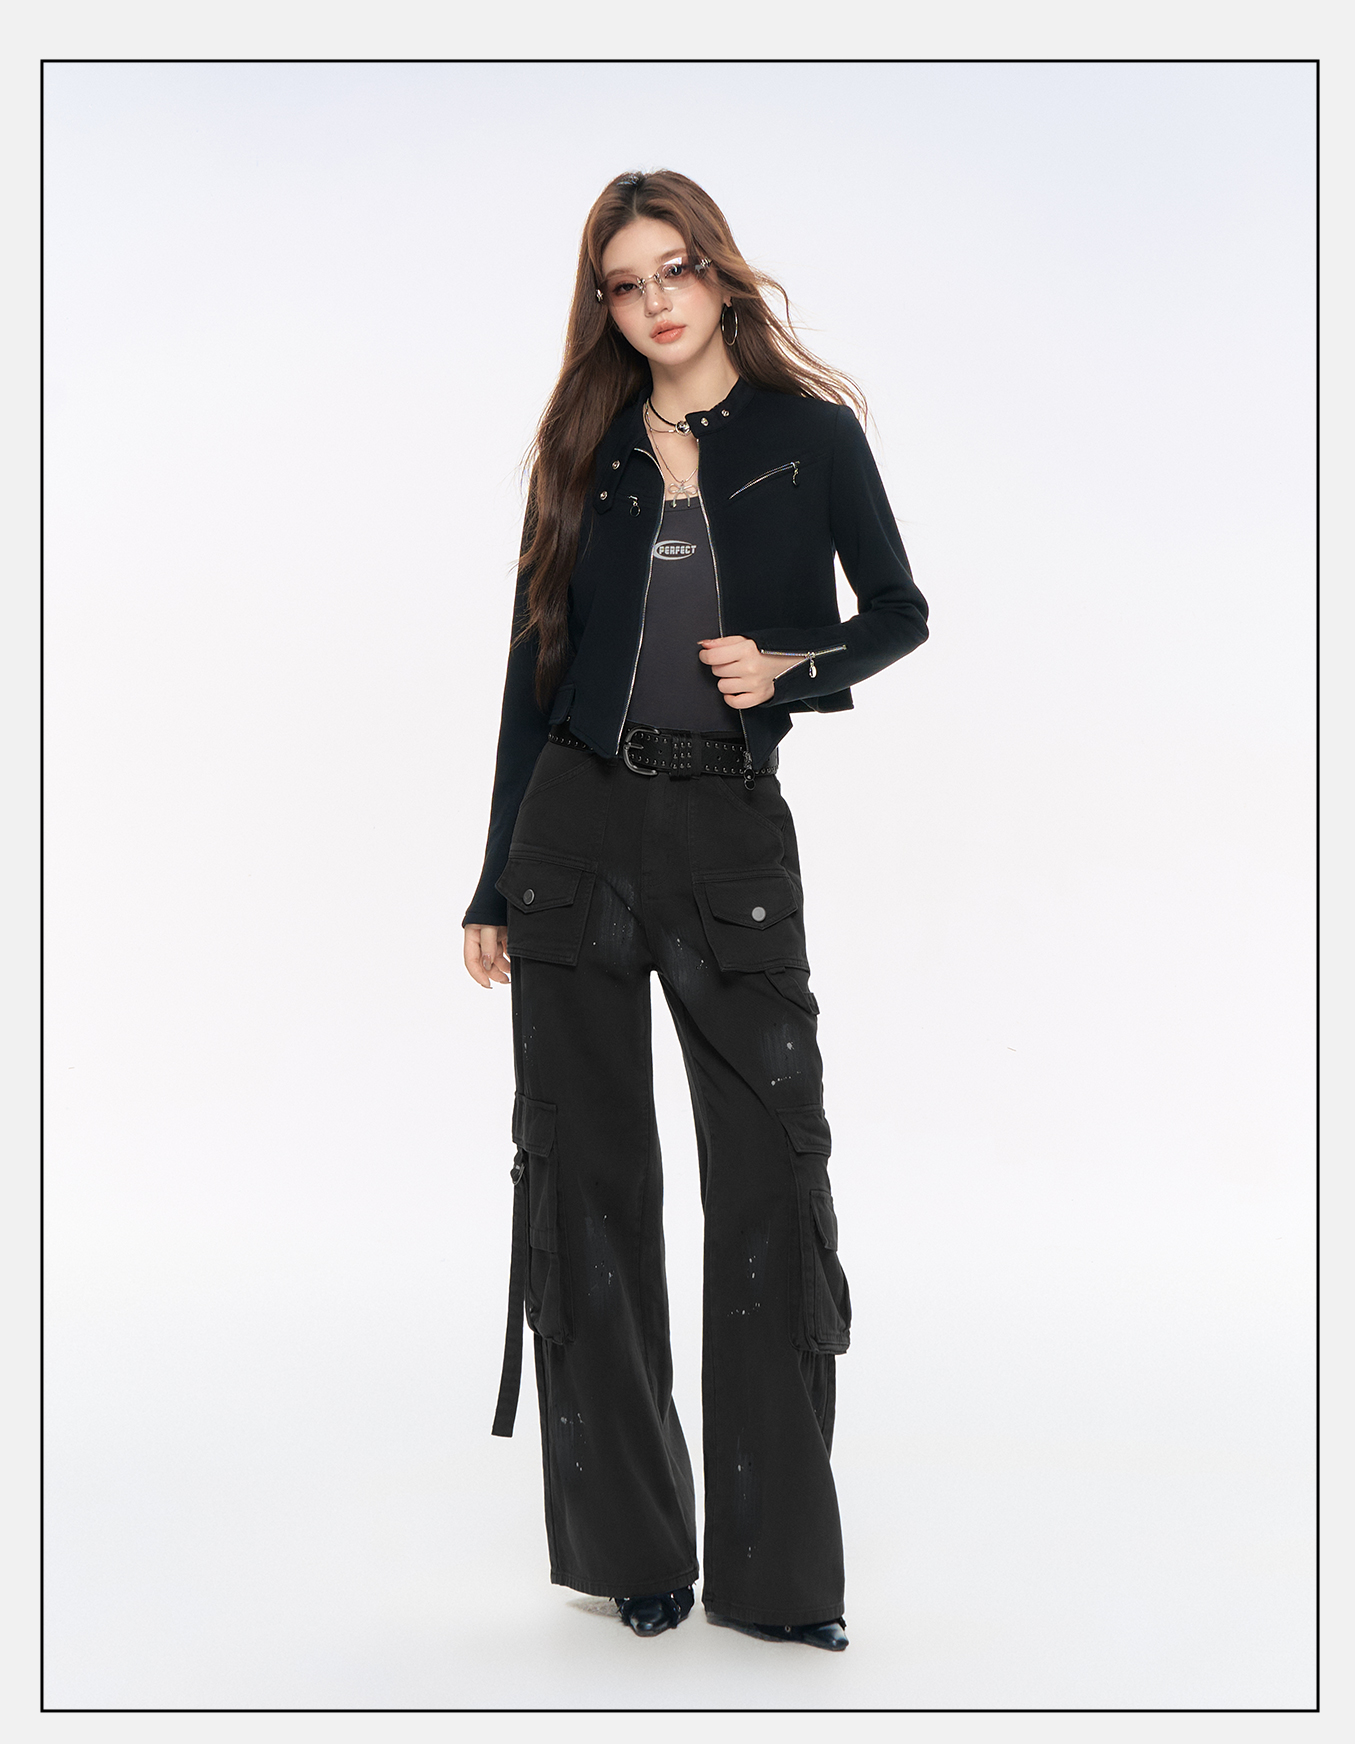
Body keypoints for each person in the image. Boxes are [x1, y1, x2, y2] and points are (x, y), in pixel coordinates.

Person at [461, 169, 928, 1651]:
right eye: (625, 283)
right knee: (585, 1184)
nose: (655, 302)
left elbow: (900, 611)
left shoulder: (811, 434)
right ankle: (633, 1554)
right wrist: (492, 880)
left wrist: (790, 667)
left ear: (721, 276)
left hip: (729, 835)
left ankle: (778, 1581)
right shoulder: (583, 444)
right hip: (576, 835)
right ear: (603, 304)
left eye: (676, 271)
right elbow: (534, 668)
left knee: (772, 1184)